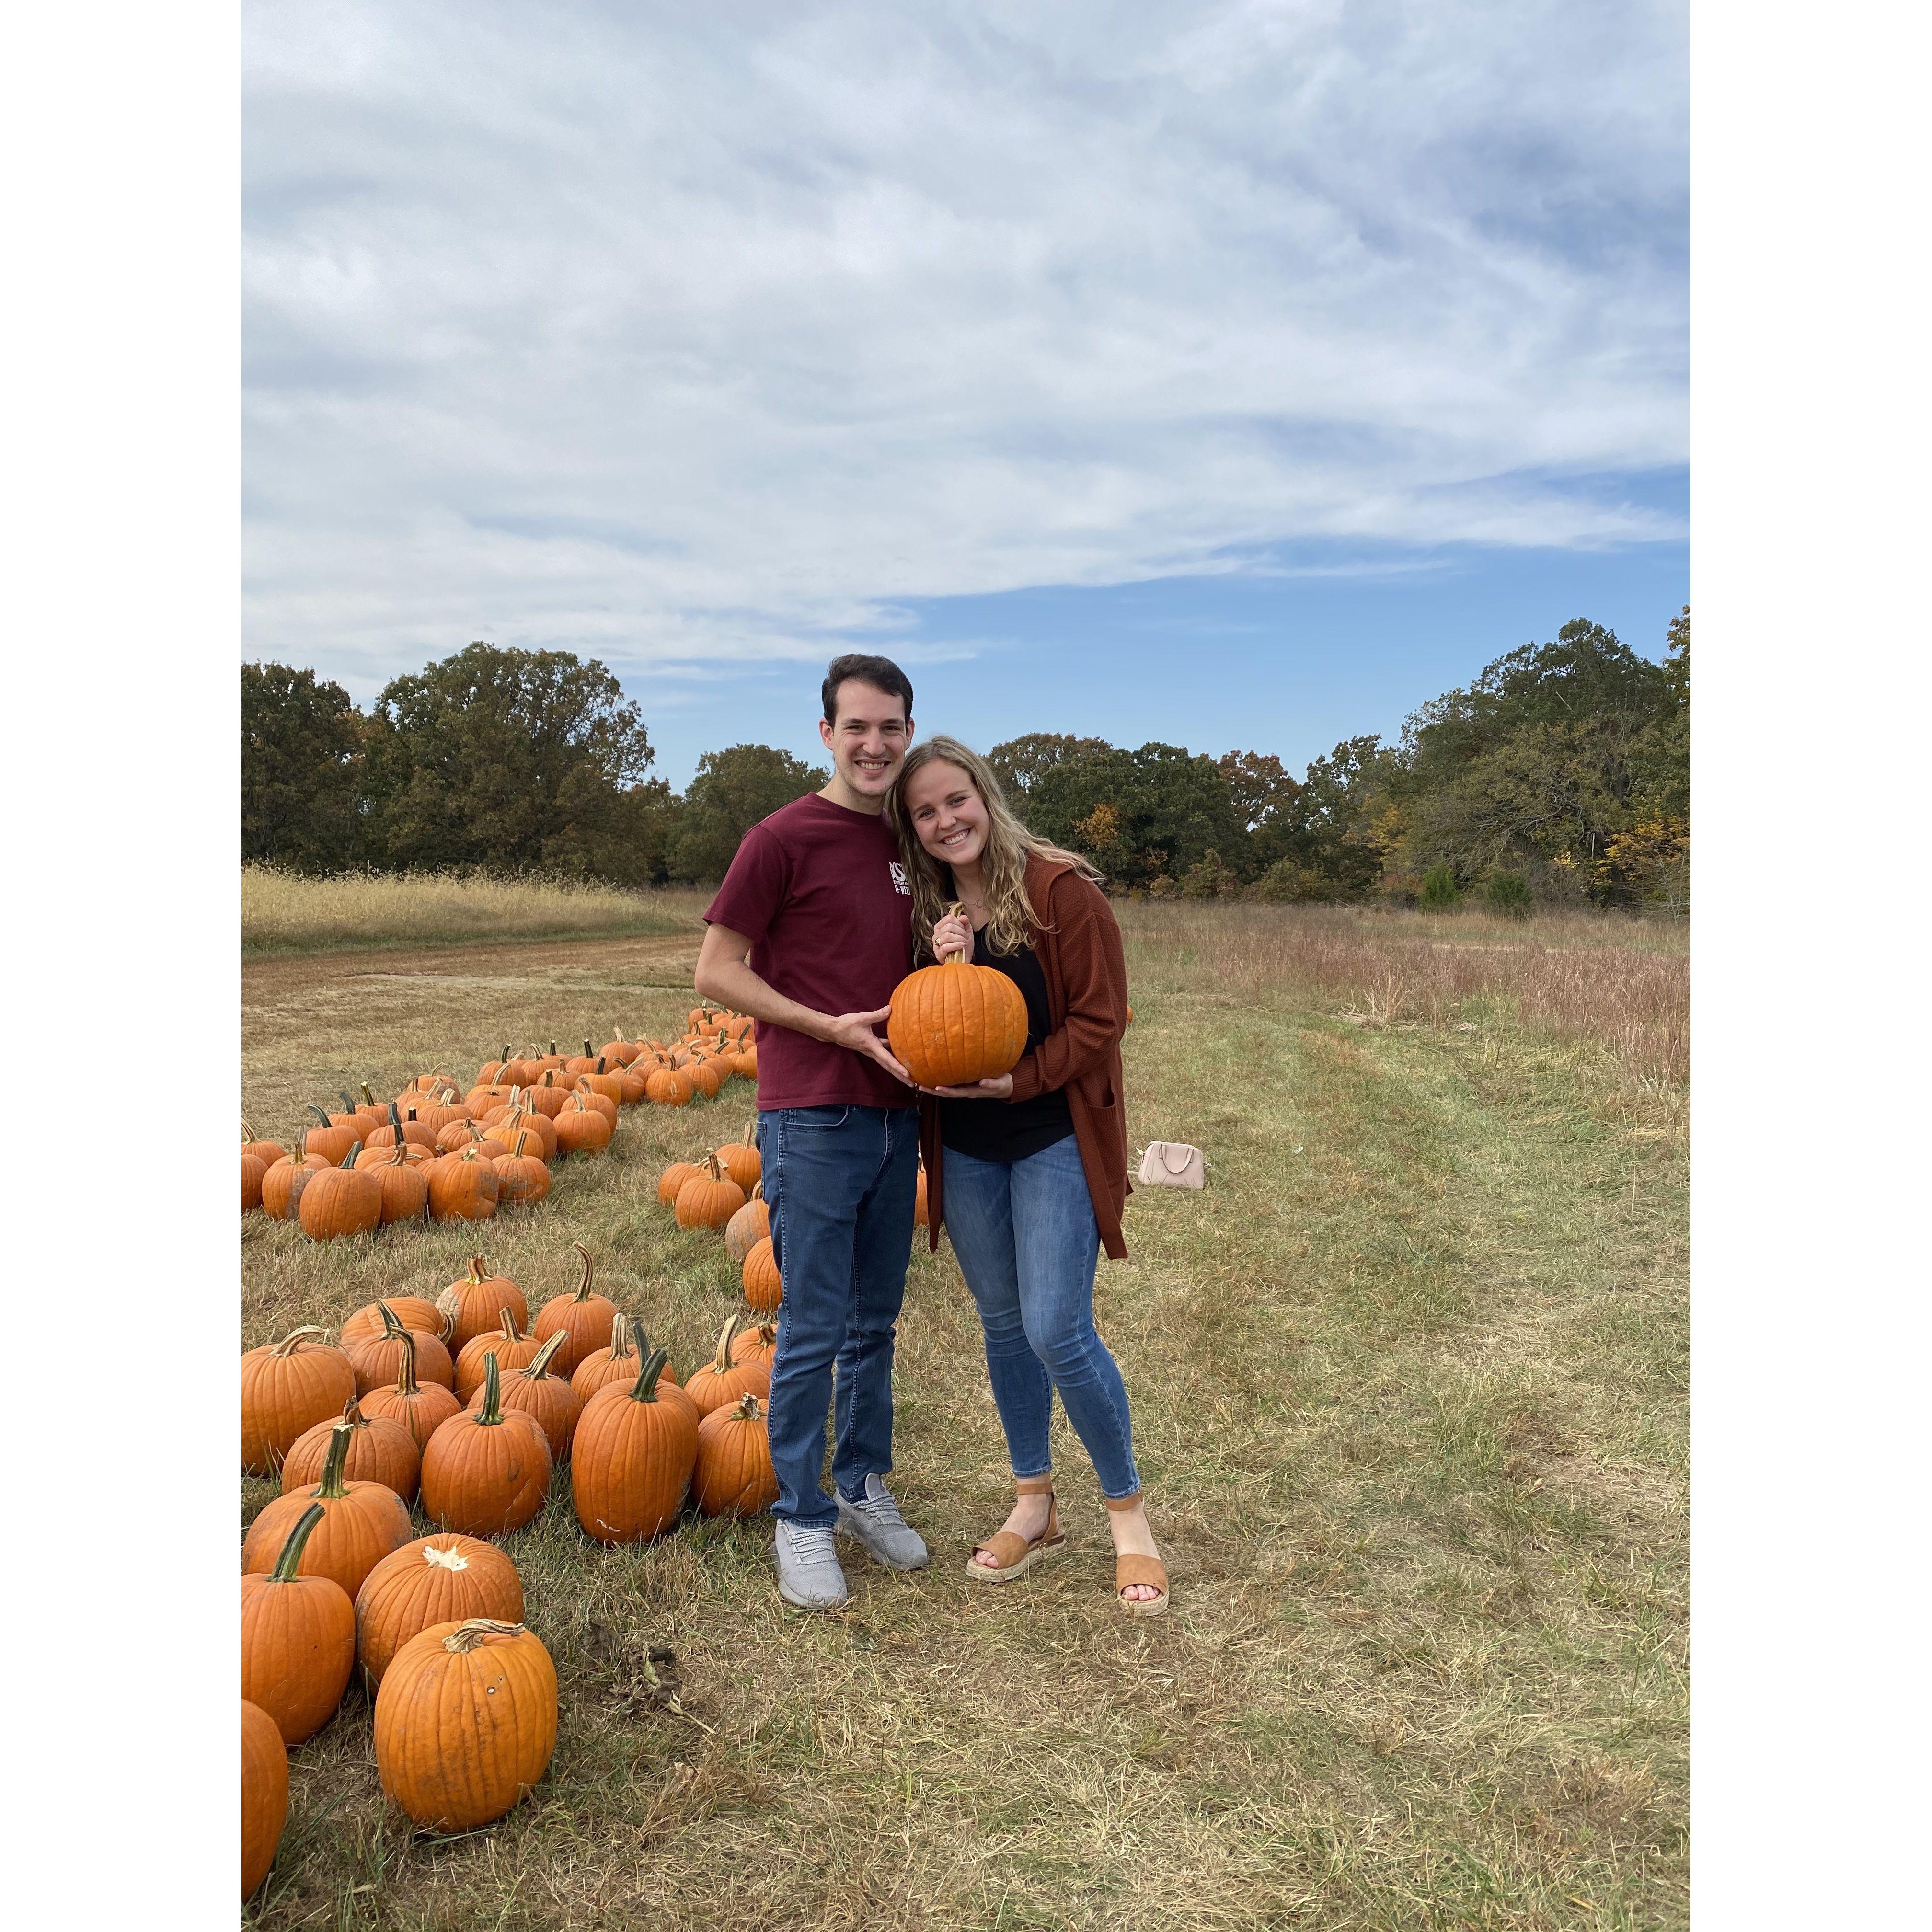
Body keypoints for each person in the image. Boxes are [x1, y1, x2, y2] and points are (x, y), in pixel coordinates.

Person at [887, 736, 1169, 1616]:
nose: (945, 821)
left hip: (1051, 1135)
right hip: (967, 1148)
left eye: (954, 800)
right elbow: (930, 1025)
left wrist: (1021, 1081)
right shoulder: (933, 913)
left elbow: (1101, 1020)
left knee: (1059, 1329)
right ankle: (1034, 1503)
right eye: (925, 812)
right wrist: (934, 961)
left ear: (985, 795)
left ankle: (1129, 1519)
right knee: (1005, 1327)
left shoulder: (1060, 891)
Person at [694, 654, 930, 1610]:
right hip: (813, 1112)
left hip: (897, 1114)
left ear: (908, 733)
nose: (876, 745)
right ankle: (802, 1515)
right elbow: (716, 970)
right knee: (813, 1326)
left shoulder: (912, 844)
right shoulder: (783, 837)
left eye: (892, 728)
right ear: (827, 733)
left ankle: (865, 1484)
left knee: (877, 1322)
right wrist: (825, 1026)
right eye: (858, 727)